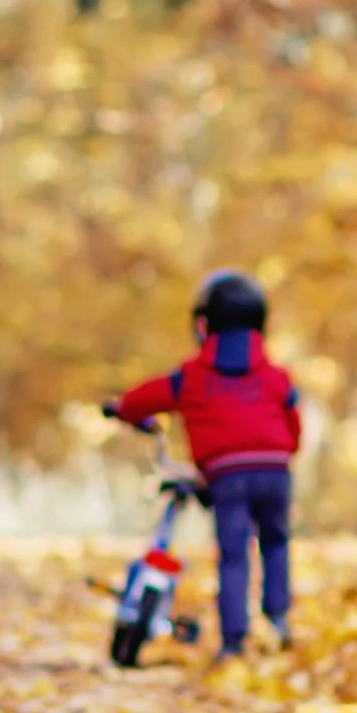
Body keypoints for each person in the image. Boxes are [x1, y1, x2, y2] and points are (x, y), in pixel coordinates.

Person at [108, 270, 301, 657]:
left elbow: (145, 398)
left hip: (228, 476)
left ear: (203, 324)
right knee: (275, 542)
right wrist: (281, 453)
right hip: (275, 470)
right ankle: (278, 622)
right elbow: (293, 424)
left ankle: (234, 640)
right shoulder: (277, 377)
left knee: (234, 553)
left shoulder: (192, 377)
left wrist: (120, 408)